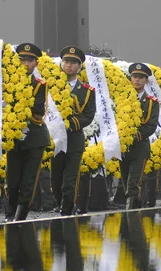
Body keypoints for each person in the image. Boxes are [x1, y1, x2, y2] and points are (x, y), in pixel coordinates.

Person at [4, 43, 50, 222]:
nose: (25, 63)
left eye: (29, 60)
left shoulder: (40, 85)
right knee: (12, 180)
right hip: (13, 138)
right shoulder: (8, 82)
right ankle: (9, 213)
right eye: (22, 59)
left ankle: (20, 216)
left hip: (34, 138)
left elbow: (38, 109)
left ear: (36, 64)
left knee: (28, 181)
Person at [51, 46, 96, 216]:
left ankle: (67, 209)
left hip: (74, 139)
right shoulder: (52, 86)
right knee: (55, 179)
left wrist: (69, 124)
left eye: (73, 62)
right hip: (55, 139)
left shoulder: (87, 91)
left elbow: (88, 115)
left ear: (79, 67)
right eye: (66, 61)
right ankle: (59, 203)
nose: (69, 65)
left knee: (70, 180)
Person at [120, 63, 159, 210]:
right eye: (135, 76)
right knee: (125, 179)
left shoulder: (151, 103)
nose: (137, 80)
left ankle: (130, 208)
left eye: (141, 77)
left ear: (146, 81)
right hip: (123, 147)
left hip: (140, 146)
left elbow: (151, 125)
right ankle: (136, 204)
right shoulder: (122, 99)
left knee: (134, 180)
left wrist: (134, 135)